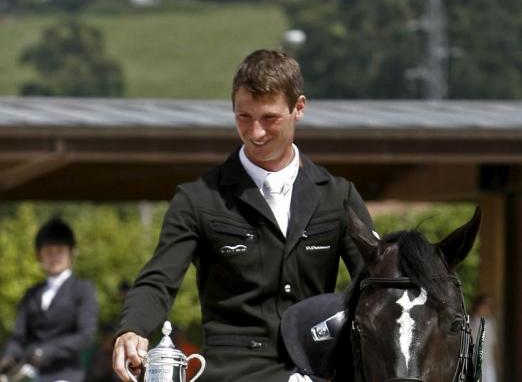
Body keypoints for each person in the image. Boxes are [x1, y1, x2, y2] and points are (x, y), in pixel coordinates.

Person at [112, 49, 373, 382]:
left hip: (321, 368)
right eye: (243, 117)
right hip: (233, 373)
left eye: (269, 118)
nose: (256, 132)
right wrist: (132, 328)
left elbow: (375, 283)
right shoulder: (197, 198)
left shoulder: (339, 196)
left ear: (299, 108)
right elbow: (158, 279)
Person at [0, 217, 98, 382]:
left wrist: (47, 350)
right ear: (40, 255)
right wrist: (8, 357)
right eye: (48, 252)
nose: (54, 257)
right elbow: (19, 336)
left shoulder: (83, 289)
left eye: (59, 251)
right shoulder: (31, 293)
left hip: (65, 374)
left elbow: (85, 335)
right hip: (29, 373)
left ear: (71, 253)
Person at [470, 294, 498, 382]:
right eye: (485, 305)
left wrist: (496, 362)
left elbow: (493, 345)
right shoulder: (470, 322)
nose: (488, 308)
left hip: (488, 364)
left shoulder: (491, 323)